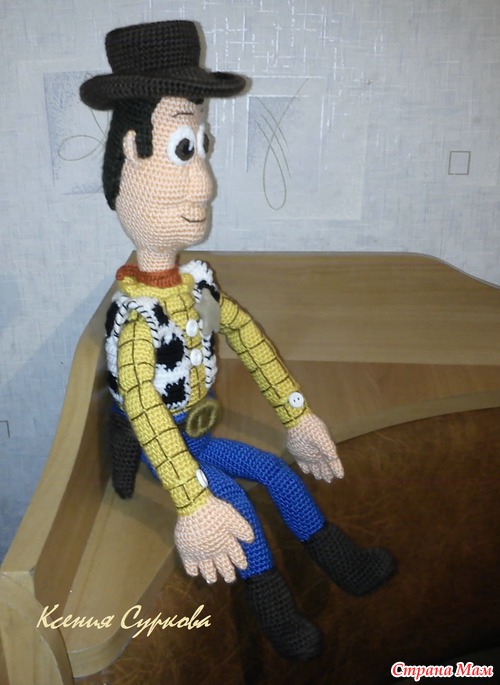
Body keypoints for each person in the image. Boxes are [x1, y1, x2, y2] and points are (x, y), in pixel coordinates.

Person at [80, 20, 395, 660]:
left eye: (201, 147)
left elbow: (248, 338)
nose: (205, 183)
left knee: (276, 471)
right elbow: (144, 407)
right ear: (132, 154)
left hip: (196, 429)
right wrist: (190, 498)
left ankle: (343, 560)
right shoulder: (136, 318)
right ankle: (275, 612)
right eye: (183, 149)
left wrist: (297, 416)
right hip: (161, 442)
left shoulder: (195, 284)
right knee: (233, 506)